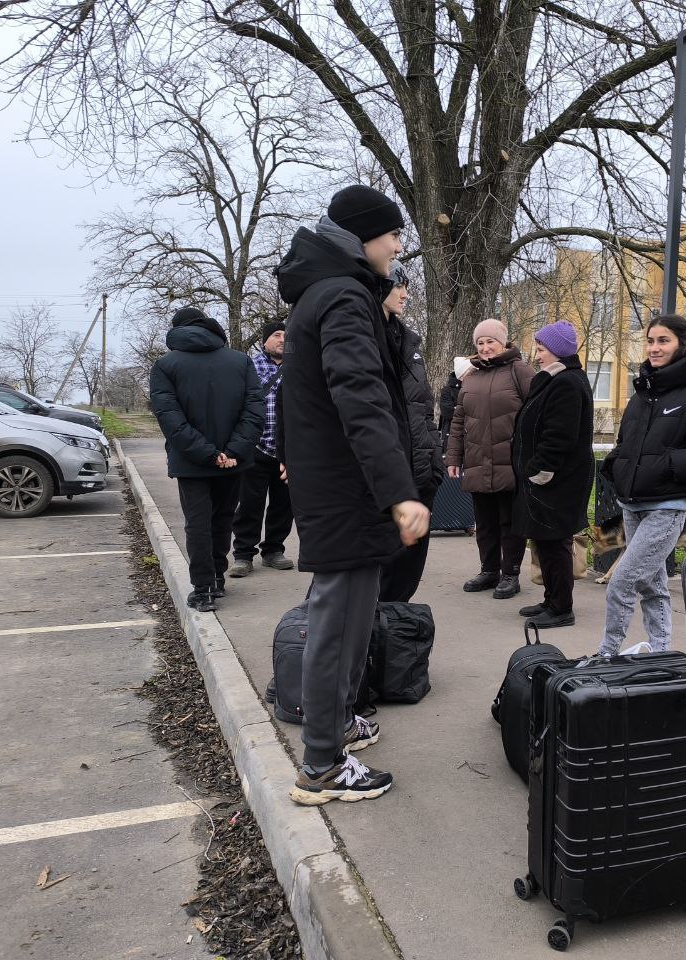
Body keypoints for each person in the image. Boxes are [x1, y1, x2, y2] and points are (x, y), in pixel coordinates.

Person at [275, 184, 430, 806]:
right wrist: (400, 492)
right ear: (363, 236)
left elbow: (305, 395)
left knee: (352, 618)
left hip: (337, 483)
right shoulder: (342, 295)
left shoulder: (333, 292)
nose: (398, 246)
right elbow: (360, 396)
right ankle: (320, 766)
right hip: (348, 488)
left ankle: (335, 728)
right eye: (392, 234)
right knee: (338, 623)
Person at [598, 314, 686, 655]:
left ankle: (607, 655)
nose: (654, 348)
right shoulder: (646, 390)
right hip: (633, 503)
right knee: (653, 585)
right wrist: (617, 465)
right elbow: (627, 439)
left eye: (663, 341)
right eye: (650, 340)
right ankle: (661, 654)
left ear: (682, 344)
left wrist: (667, 467)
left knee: (622, 583)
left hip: (669, 505)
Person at [149, 306, 267, 613]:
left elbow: (170, 418)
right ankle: (217, 575)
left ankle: (202, 589)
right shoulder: (240, 361)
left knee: (197, 524)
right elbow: (255, 411)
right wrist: (233, 452)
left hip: (192, 462)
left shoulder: (165, 365)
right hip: (234, 461)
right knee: (223, 519)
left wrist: (208, 454)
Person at [511, 320, 594, 629]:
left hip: (557, 480)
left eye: (542, 348)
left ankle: (561, 607)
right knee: (544, 541)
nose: (537, 354)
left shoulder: (567, 383)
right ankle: (551, 598)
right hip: (547, 478)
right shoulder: (553, 379)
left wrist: (539, 472)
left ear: (557, 351)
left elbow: (559, 436)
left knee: (555, 541)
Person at [445, 318, 535, 600]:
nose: (485, 348)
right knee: (484, 522)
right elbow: (458, 419)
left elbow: (536, 412)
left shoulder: (519, 370)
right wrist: (453, 457)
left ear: (503, 342)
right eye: (480, 343)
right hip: (477, 459)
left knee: (509, 521)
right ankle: (489, 570)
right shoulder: (471, 375)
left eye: (490, 342)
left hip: (510, 461)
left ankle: (511, 574)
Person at [378, 264, 446, 602]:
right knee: (377, 571)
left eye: (407, 286)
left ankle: (392, 641)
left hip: (421, 474)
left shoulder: (410, 344)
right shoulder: (364, 338)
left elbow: (423, 407)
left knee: (407, 571)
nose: (405, 294)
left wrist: (434, 454)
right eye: (398, 286)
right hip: (386, 475)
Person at [227, 321, 295, 577]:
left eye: (286, 336)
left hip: (288, 450)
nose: (282, 339)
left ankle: (273, 550)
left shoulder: (299, 367)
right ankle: (243, 554)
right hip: (255, 447)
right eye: (276, 335)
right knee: (249, 504)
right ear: (265, 341)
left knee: (283, 504)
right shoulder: (249, 367)